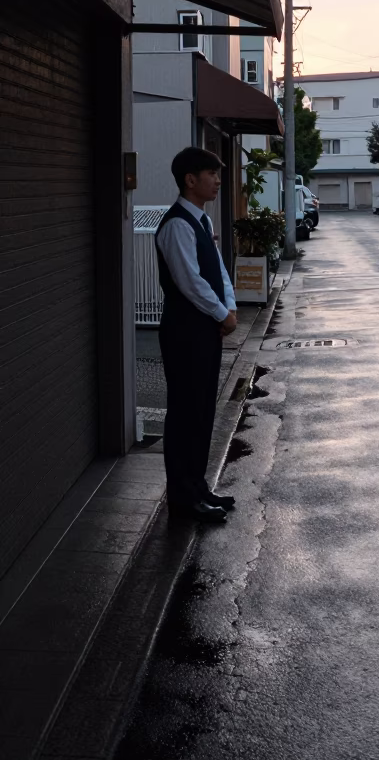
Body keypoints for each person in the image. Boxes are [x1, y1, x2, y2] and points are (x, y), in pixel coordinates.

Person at [155, 147, 238, 523]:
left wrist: (230, 307)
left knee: (203, 410)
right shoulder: (176, 225)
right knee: (186, 413)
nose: (218, 180)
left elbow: (217, 271)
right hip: (185, 333)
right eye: (211, 174)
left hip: (204, 331)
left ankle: (198, 488)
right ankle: (183, 498)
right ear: (190, 180)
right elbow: (189, 281)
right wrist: (222, 313)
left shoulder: (201, 221)